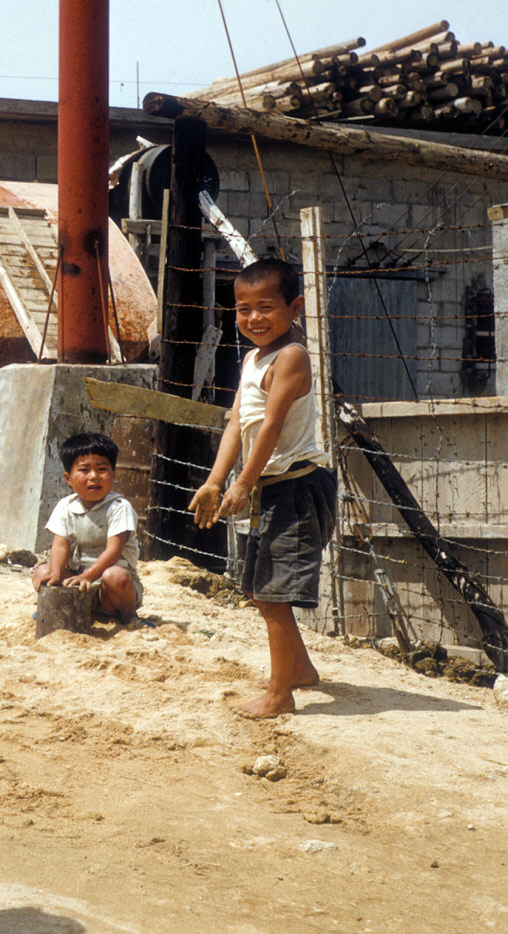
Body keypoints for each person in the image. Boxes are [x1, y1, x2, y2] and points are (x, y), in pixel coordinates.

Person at [189, 257, 336, 718]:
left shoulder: (292, 357)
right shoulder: (254, 358)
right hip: (269, 487)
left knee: (272, 594)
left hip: (293, 489)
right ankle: (301, 670)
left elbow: (271, 426)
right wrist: (215, 481)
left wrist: (244, 483)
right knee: (258, 589)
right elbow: (238, 422)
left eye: (266, 307)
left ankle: (279, 696)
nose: (253, 318)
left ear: (295, 308)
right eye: (243, 308)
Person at [31, 431, 142, 623]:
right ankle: (55, 608)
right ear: (68, 478)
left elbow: (113, 551)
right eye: (84, 470)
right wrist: (56, 573)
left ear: (113, 475)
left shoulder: (119, 507)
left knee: (116, 577)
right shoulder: (66, 506)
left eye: (101, 469)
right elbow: (59, 545)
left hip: (110, 591)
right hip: (78, 583)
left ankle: (129, 616)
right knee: (43, 571)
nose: (94, 477)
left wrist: (89, 576)